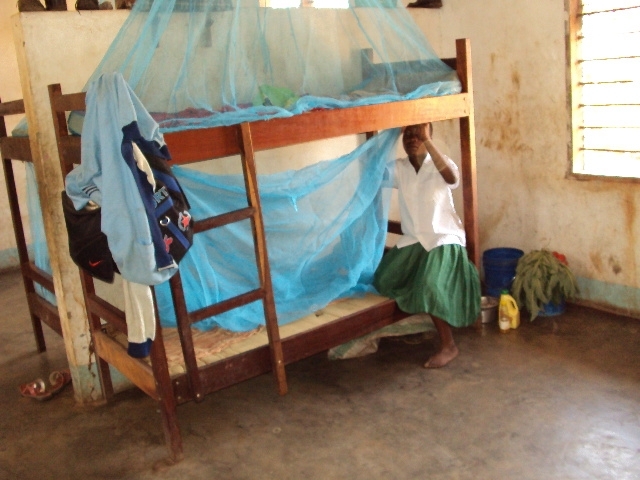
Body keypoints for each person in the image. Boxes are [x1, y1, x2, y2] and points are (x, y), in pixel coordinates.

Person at [374, 123, 480, 368]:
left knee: (430, 286)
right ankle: (423, 314)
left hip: (442, 239)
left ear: (430, 136)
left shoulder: (441, 164)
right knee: (384, 280)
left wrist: (427, 141)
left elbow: (452, 178)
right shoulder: (400, 168)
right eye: (408, 135)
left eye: (419, 134)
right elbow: (373, 173)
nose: (413, 139)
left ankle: (448, 345)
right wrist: (389, 136)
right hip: (415, 240)